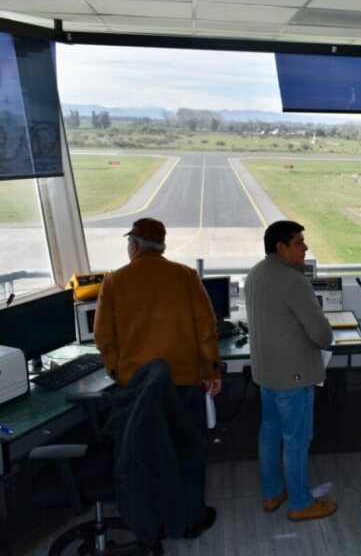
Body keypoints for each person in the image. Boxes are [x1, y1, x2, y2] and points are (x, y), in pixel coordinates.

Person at [94, 217, 222, 539]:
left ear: (133, 246)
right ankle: (190, 520)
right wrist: (211, 372)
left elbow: (104, 338)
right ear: (162, 247)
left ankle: (154, 521)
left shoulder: (113, 282)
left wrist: (119, 373)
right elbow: (205, 331)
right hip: (183, 383)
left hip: (138, 388)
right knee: (189, 452)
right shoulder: (186, 276)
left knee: (146, 455)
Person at [244, 220, 337, 521]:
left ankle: (272, 494)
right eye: (299, 242)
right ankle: (301, 503)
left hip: (266, 374)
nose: (305, 247)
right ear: (281, 247)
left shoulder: (256, 273)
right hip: (293, 378)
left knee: (270, 435)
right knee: (296, 440)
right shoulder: (293, 280)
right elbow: (322, 335)